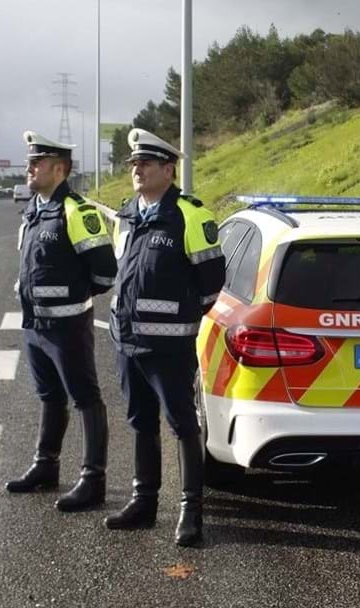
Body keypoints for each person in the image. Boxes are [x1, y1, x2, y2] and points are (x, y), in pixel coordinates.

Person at [103, 128, 225, 546]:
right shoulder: (126, 215)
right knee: (139, 421)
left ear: (168, 170)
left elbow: (212, 284)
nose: (137, 170)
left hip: (170, 346)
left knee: (182, 424)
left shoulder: (190, 215)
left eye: (146, 164)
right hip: (128, 341)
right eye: (134, 164)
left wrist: (182, 317)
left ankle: (191, 511)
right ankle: (144, 502)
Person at [5, 130, 117, 512]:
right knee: (49, 396)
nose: (29, 168)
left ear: (59, 168)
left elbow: (104, 273)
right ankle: (45, 465)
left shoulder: (77, 211)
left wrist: (73, 298)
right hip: (36, 326)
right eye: (29, 162)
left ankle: (93, 479)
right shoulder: (35, 209)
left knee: (85, 398)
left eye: (36, 163)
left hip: (68, 326)